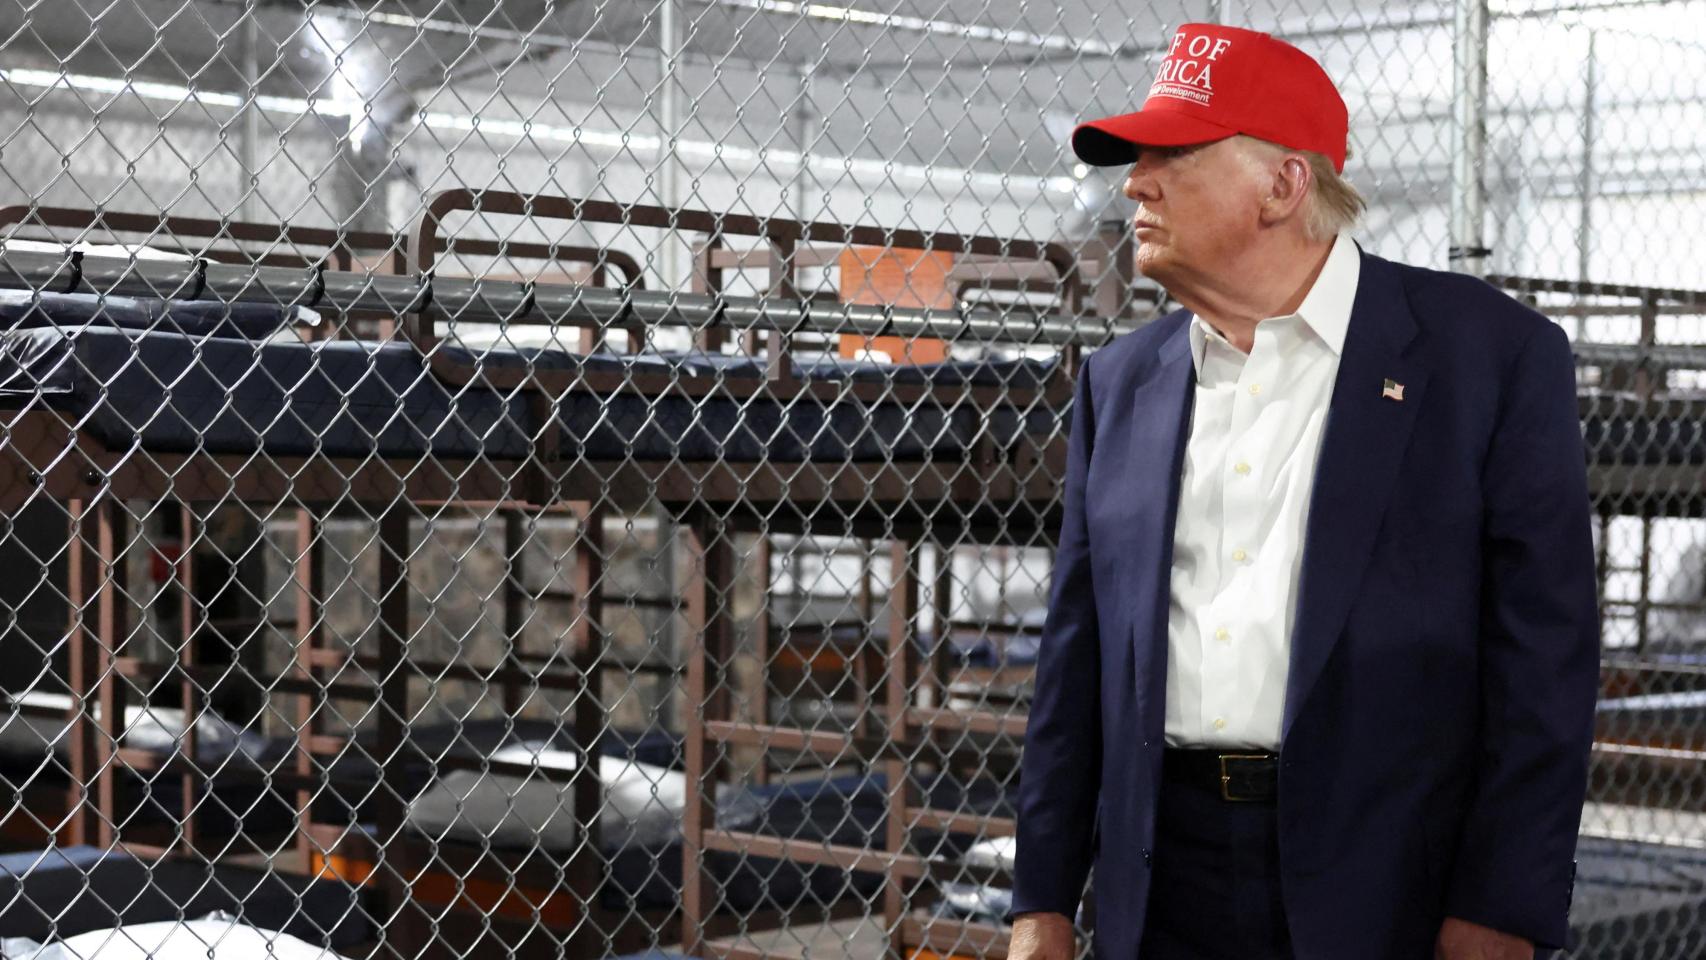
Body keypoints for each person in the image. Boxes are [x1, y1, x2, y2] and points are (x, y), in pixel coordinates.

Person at [1006, 22, 1598, 960]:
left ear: (1284, 184)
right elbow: (1075, 662)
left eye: (1174, 155)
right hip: (1162, 884)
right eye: (1136, 159)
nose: (1134, 183)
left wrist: (1503, 910)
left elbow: (1546, 666)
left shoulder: (1488, 358)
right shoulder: (1119, 383)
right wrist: (1039, 900)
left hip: (1390, 876)